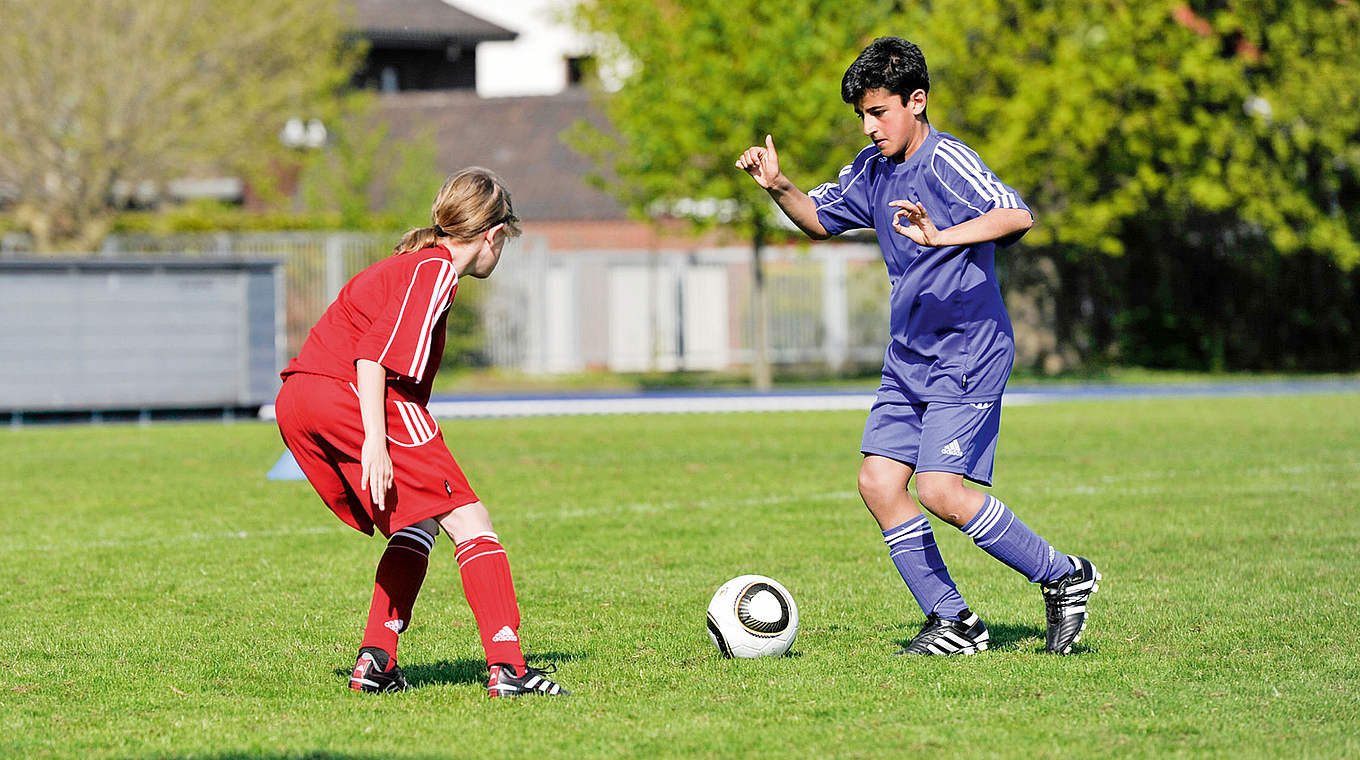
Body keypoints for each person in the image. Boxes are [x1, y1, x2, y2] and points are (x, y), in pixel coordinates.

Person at [736, 37, 1099, 656]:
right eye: (862, 115)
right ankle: (954, 620)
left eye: (879, 112)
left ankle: (1064, 577)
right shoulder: (873, 168)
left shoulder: (948, 161)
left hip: (967, 351)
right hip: (909, 355)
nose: (870, 126)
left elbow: (1017, 215)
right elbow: (820, 220)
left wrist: (941, 238)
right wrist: (779, 186)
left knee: (939, 491)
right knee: (878, 482)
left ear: (917, 101)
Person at [274, 168, 568, 695]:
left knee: (420, 524)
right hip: (349, 394)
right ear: (493, 235)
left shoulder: (415, 262)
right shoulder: (437, 270)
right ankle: (509, 669)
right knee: (471, 519)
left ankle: (375, 662)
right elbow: (372, 358)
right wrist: (375, 443)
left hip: (300, 397)